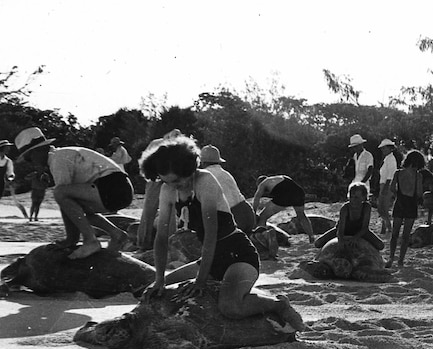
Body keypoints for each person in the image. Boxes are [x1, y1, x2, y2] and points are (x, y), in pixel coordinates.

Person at [139, 135, 306, 334]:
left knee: (231, 307)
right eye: (166, 181)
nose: (174, 186)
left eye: (177, 181)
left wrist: (201, 280)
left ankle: (278, 305)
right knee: (156, 291)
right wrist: (159, 279)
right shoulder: (168, 190)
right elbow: (161, 238)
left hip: (239, 255)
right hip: (211, 258)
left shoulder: (205, 180)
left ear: (189, 169)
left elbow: (211, 233)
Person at [15, 127, 133, 259]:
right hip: (120, 189)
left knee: (61, 193)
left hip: (113, 187)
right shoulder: (60, 155)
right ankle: (116, 234)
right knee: (76, 209)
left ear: (38, 150)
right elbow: (70, 208)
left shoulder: (58, 158)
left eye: (29, 158)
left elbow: (62, 196)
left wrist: (71, 239)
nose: (32, 163)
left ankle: (90, 241)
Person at [199, 144, 255, 235]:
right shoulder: (226, 173)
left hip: (234, 216)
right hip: (248, 211)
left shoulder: (205, 176)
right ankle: (261, 236)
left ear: (203, 162)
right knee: (245, 243)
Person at [314, 182, 385, 250]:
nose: (353, 200)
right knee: (318, 243)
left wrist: (356, 238)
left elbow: (365, 228)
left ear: (363, 197)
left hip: (360, 231)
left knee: (380, 245)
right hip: (345, 231)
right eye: (351, 197)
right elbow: (340, 229)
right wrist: (341, 240)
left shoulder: (366, 207)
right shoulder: (345, 208)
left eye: (356, 197)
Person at [386, 150, 425, 268]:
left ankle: (391, 258)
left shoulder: (398, 173)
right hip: (411, 204)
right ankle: (401, 261)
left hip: (400, 202)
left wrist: (399, 192)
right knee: (406, 236)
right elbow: (419, 193)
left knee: (394, 234)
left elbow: (392, 188)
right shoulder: (418, 175)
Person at [252, 174, 315, 243]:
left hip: (283, 194)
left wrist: (253, 213)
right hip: (299, 193)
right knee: (301, 215)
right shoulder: (281, 177)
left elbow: (256, 198)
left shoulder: (263, 183)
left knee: (263, 217)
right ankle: (311, 236)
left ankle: (263, 239)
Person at [0, 139, 28, 219]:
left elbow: (10, 173)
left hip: (1, 183)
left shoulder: (8, 161)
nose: (8, 149)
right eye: (7, 147)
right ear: (2, 148)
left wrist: (10, 178)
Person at [377, 138, 398, 234]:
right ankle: (385, 226)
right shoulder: (386, 159)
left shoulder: (391, 159)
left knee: (383, 207)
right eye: (382, 149)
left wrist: (386, 187)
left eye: (385, 148)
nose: (383, 150)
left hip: (387, 184)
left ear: (390, 149)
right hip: (383, 184)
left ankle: (388, 227)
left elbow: (391, 174)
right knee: (382, 207)